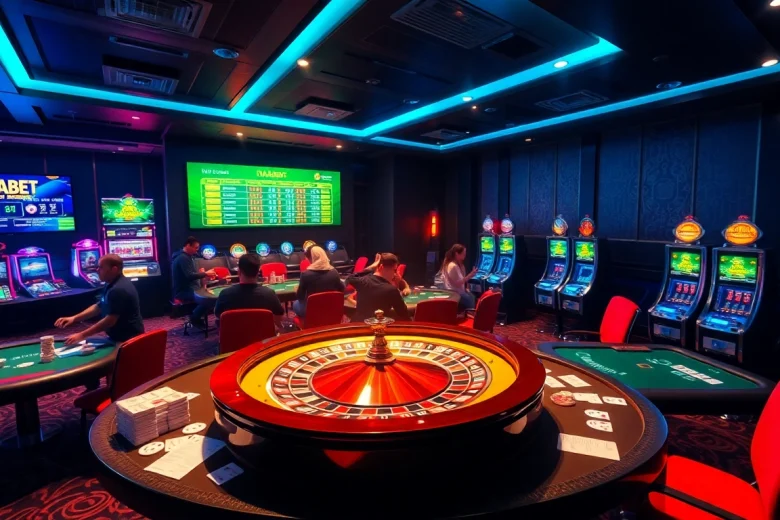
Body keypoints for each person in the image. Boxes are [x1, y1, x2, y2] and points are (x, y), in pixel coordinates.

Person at [55, 254, 144, 345]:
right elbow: (99, 306)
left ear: (114, 270)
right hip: (117, 336)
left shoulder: (119, 289)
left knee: (84, 349)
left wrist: (81, 335)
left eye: (101, 268)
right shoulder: (111, 283)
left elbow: (109, 321)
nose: (97, 270)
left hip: (128, 340)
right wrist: (74, 318)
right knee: (83, 344)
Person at [214, 253, 285, 329]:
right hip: (264, 338)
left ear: (239, 272)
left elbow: (218, 315)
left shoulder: (225, 294)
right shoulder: (269, 293)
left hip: (234, 338)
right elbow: (279, 318)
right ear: (258, 272)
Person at [345, 253, 409, 322]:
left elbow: (349, 278)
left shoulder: (363, 281)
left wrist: (372, 267)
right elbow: (404, 314)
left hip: (356, 325)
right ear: (381, 267)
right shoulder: (391, 290)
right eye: (394, 270)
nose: (395, 274)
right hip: (377, 327)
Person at [171, 236, 215, 329]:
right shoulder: (183, 258)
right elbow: (189, 276)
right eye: (195, 248)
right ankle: (194, 318)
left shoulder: (187, 257)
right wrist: (205, 273)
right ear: (188, 245)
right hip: (183, 291)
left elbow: (190, 274)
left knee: (208, 295)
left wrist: (201, 273)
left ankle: (196, 317)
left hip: (190, 289)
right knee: (207, 299)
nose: (197, 250)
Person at [294, 245, 345, 318]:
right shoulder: (334, 272)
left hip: (312, 311)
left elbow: (300, 297)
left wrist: (297, 290)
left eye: (309, 258)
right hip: (331, 308)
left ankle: (307, 325)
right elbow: (342, 289)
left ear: (313, 257)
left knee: (295, 304)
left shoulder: (305, 274)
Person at [440, 244, 477, 311]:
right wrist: (470, 275)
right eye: (463, 253)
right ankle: (471, 317)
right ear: (457, 254)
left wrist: (466, 288)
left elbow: (463, 281)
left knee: (472, 296)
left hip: (459, 291)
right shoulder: (452, 266)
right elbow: (457, 283)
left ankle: (471, 316)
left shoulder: (459, 265)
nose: (465, 255)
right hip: (454, 293)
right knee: (470, 300)